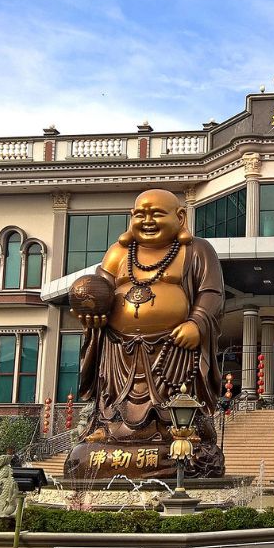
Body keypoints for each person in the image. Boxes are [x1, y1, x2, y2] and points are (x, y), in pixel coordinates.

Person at [67, 189, 226, 479]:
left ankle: (180, 432)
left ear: (180, 217)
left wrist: (197, 322)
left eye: (156, 214)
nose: (147, 220)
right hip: (119, 348)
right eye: (140, 214)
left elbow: (212, 293)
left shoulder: (197, 250)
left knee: (175, 400)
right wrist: (89, 309)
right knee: (114, 399)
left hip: (174, 348)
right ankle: (109, 428)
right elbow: (100, 290)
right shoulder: (118, 253)